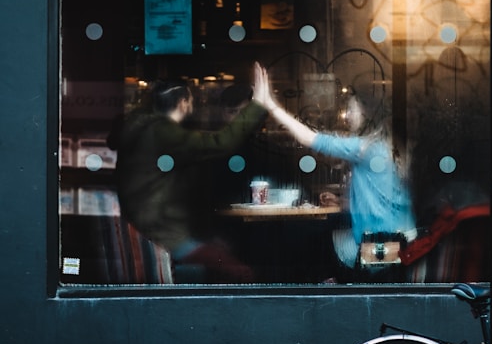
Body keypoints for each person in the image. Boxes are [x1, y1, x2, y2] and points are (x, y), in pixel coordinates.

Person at [108, 62, 270, 283]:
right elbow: (221, 143)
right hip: (164, 235)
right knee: (243, 272)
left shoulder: (143, 126)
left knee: (225, 249)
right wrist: (258, 104)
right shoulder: (163, 132)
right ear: (183, 102)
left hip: (149, 228)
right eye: (191, 99)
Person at [259, 67, 417, 277]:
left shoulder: (365, 148)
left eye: (352, 109)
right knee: (319, 240)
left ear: (367, 112)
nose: (347, 116)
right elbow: (384, 200)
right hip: (403, 239)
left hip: (381, 246)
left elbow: (310, 139)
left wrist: (270, 104)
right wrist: (343, 203)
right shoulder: (387, 146)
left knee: (305, 242)